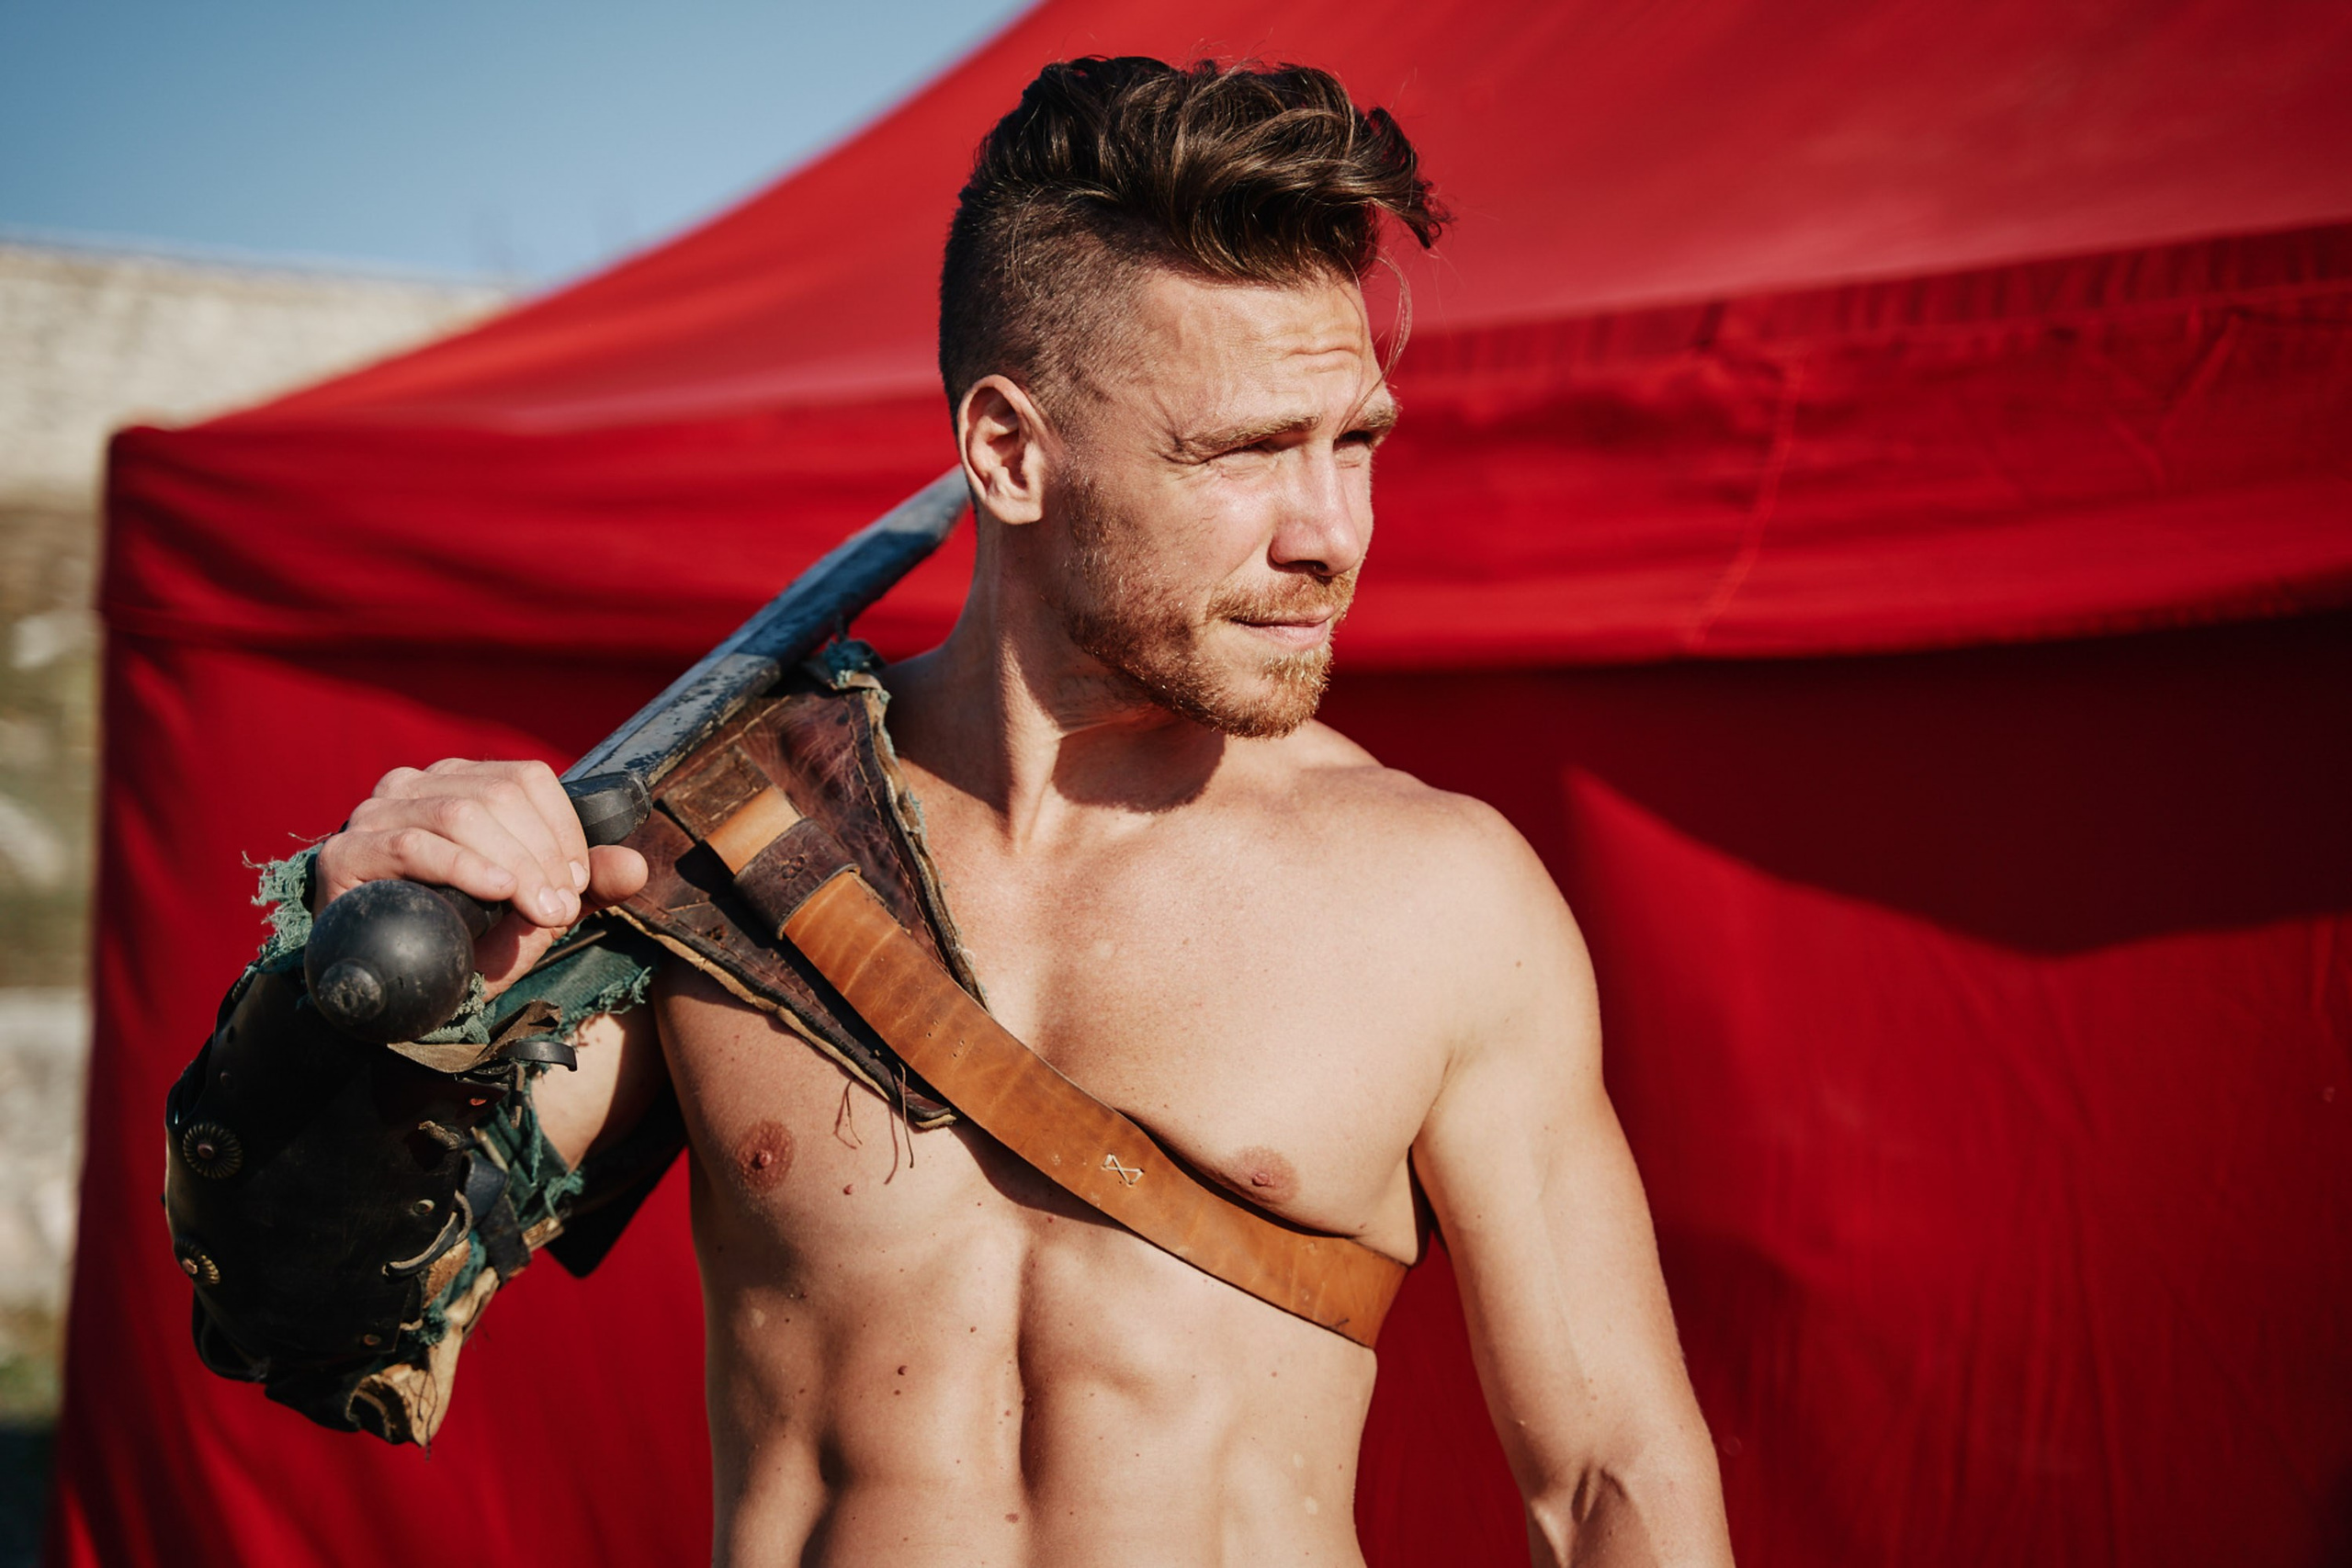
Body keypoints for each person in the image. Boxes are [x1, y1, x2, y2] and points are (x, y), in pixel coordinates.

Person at [295, 56, 1734, 1567]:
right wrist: (344, 992)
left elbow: (1612, 1479)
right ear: (1009, 452)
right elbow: (322, 1299)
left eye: (1357, 441)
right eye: (1248, 450)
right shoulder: (730, 844)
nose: (1332, 532)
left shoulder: (1446, 898)